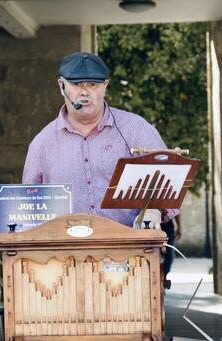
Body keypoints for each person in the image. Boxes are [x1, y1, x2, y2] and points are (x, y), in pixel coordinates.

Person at [22, 52, 178, 229]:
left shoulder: (137, 128)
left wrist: (153, 210)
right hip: (65, 252)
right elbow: (28, 206)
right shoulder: (42, 143)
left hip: (129, 248)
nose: (84, 92)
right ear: (61, 85)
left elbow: (168, 179)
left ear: (105, 85)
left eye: (93, 85)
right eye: (76, 84)